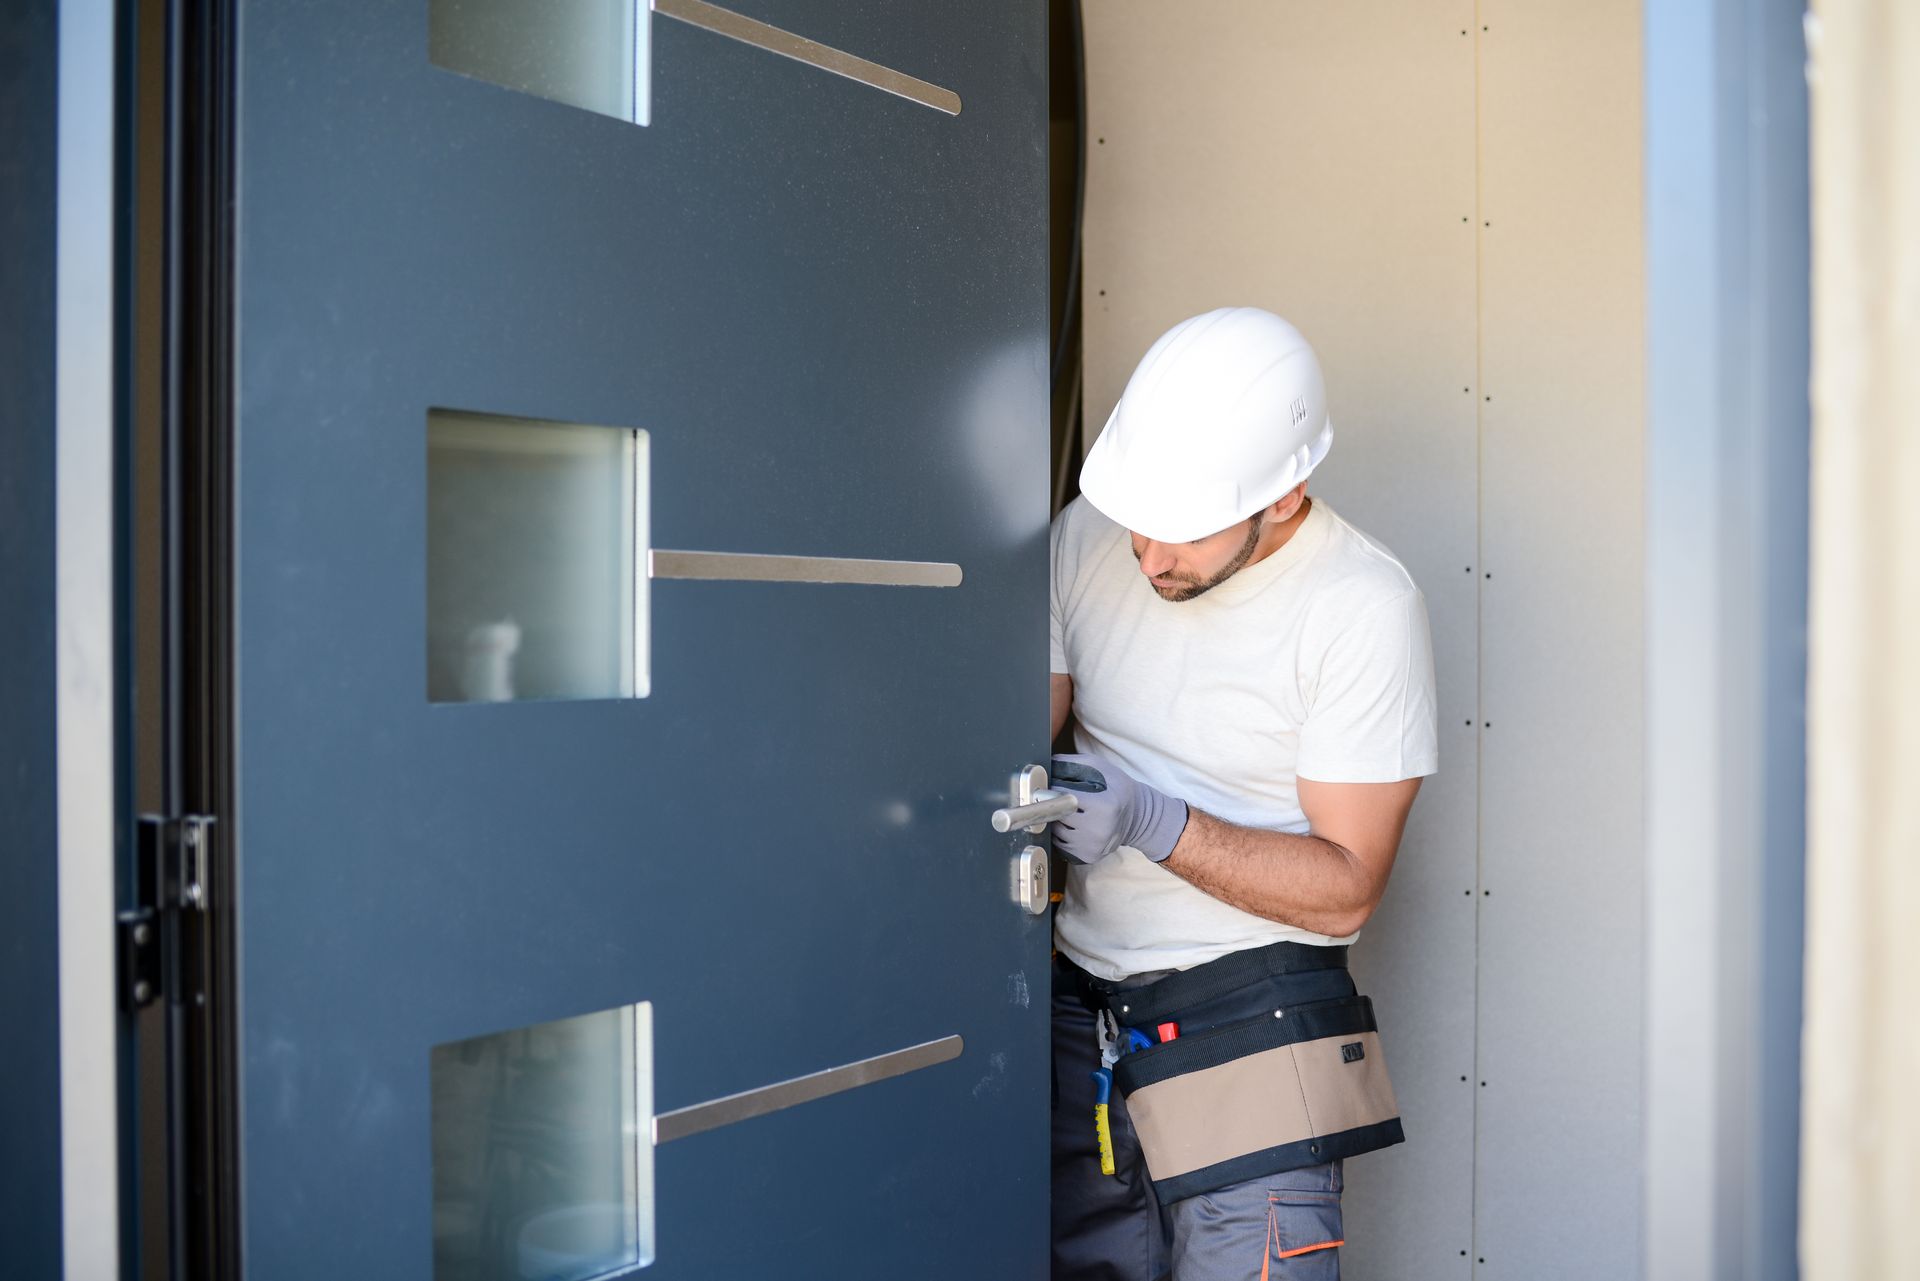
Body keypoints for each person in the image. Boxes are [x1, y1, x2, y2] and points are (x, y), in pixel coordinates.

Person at [1048, 307, 1438, 1281]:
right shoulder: (1092, 536)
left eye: (1181, 534)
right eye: (1138, 520)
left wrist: (1155, 821)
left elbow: (1348, 886)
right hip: (1079, 1013)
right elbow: (1010, 743)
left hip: (1254, 1016)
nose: (1147, 556)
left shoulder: (1361, 606)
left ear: (1286, 495)